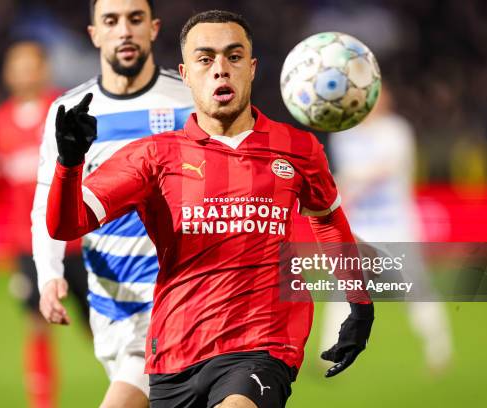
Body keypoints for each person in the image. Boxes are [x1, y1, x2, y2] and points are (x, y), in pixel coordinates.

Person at [45, 10, 375, 408]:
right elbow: (67, 224)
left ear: (251, 69)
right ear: (185, 74)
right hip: (174, 352)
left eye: (233, 57)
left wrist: (359, 304)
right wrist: (70, 165)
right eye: (206, 59)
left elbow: (327, 220)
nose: (221, 69)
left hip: (262, 346)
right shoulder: (154, 156)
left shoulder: (298, 148)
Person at [31, 0, 193, 407]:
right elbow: (46, 201)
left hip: (174, 301)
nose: (125, 30)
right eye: (112, 21)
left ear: (153, 28)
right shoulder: (69, 112)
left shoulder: (190, 99)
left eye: (135, 19)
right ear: (95, 34)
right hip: (107, 305)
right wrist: (48, 274)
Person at [0, 41, 89, 408]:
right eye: (17, 65)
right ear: (7, 73)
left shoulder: (64, 109)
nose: (24, 72)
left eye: (31, 65)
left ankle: (133, 390)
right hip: (27, 245)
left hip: (78, 242)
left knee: (102, 328)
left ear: (44, 69)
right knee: (37, 323)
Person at [322, 86, 452, 373]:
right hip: (361, 229)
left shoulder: (396, 131)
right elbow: (346, 185)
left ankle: (439, 349)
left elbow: (384, 170)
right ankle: (331, 351)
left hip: (396, 227)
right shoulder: (343, 135)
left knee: (416, 290)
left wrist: (346, 180)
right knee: (343, 290)